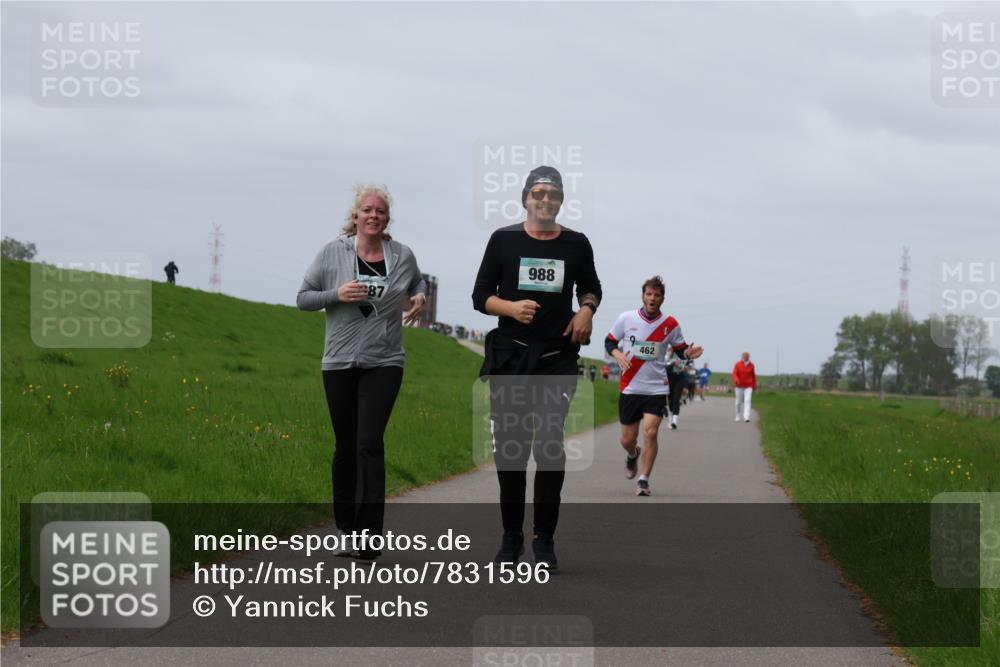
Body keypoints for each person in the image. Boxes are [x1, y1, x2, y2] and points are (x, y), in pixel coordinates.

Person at [472, 165, 601, 570]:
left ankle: (544, 539)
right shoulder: (503, 240)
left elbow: (592, 286)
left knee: (549, 444)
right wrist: (510, 307)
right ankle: (511, 539)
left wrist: (586, 310)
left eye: (553, 195)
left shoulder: (576, 244)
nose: (545, 201)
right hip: (511, 357)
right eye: (538, 194)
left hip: (555, 360)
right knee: (511, 449)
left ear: (561, 201)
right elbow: (480, 296)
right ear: (525, 197)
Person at [297, 184, 427, 560]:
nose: (373, 215)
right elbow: (303, 298)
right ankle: (345, 529)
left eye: (380, 211)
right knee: (345, 446)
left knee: (369, 443)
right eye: (367, 210)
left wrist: (420, 297)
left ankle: (370, 536)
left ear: (387, 219)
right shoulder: (332, 253)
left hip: (385, 361)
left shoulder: (401, 255)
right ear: (355, 216)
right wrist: (336, 295)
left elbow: (416, 280)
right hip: (338, 361)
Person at [607, 276, 702, 496]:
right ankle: (633, 454)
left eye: (656, 295)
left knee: (650, 433)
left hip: (656, 388)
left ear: (662, 299)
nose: (652, 298)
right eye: (649, 294)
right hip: (630, 387)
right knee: (627, 439)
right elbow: (609, 341)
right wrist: (618, 354)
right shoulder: (626, 318)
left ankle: (644, 479)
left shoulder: (670, 323)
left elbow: (680, 349)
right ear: (643, 296)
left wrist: (688, 353)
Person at [733, 351, 758, 422]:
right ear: (742, 357)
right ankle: (737, 415)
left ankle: (746, 417)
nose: (745, 357)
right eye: (744, 356)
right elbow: (734, 373)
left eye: (747, 356)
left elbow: (753, 376)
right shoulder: (738, 364)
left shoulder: (752, 365)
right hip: (739, 386)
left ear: (749, 357)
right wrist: (736, 379)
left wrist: (754, 385)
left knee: (748, 400)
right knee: (738, 402)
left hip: (748, 386)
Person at [665, 351, 686, 428]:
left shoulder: (681, 354)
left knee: (676, 399)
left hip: (679, 379)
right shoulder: (666, 355)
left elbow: (683, 366)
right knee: (670, 399)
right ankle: (670, 419)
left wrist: (681, 365)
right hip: (669, 379)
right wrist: (672, 363)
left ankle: (674, 421)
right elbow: (665, 366)